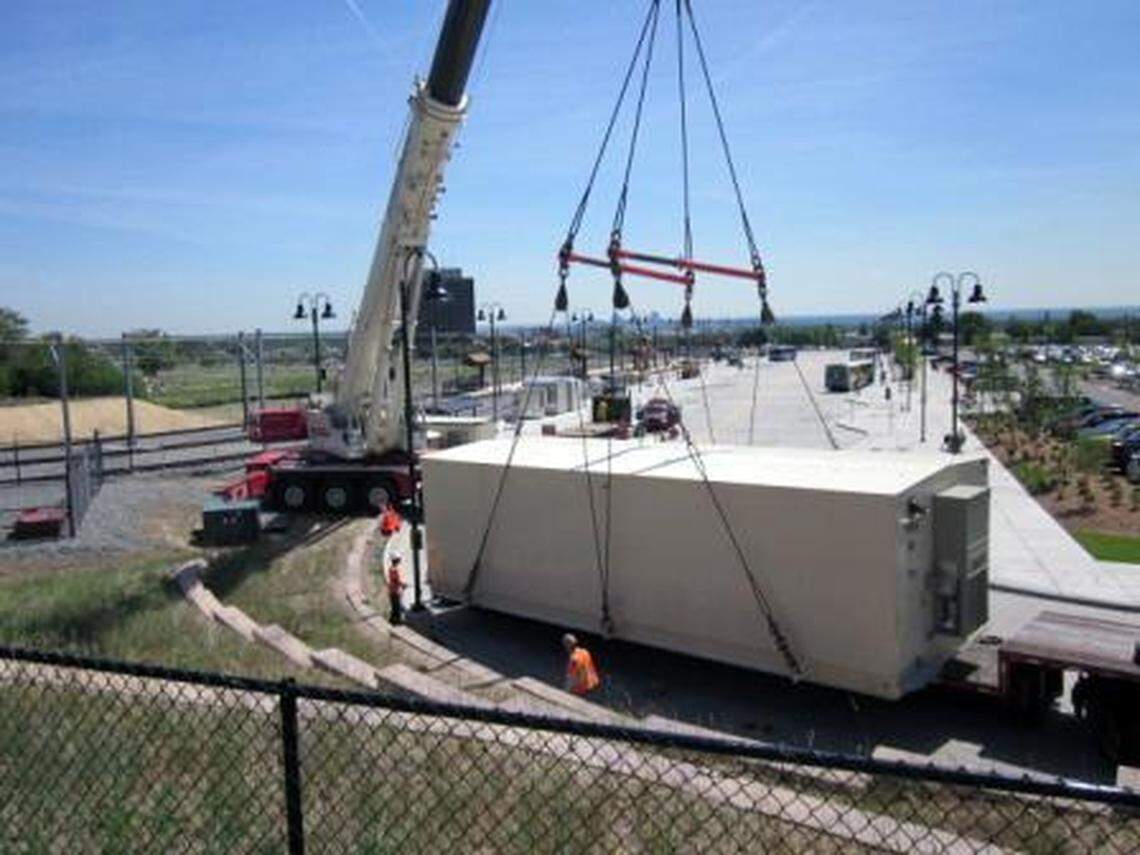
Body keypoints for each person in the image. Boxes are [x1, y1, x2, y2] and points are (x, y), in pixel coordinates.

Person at [386, 553, 407, 625]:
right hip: (397, 590)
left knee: (394, 606)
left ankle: (393, 620)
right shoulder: (397, 570)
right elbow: (398, 580)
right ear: (397, 560)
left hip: (391, 590)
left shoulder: (390, 569)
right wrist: (404, 585)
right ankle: (399, 621)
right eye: (399, 559)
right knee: (399, 606)